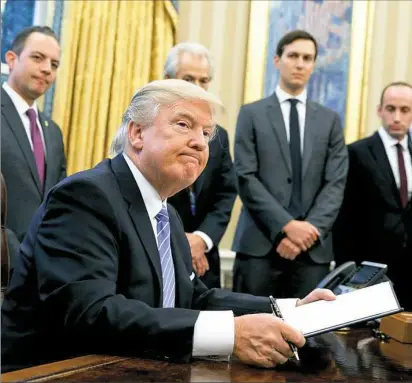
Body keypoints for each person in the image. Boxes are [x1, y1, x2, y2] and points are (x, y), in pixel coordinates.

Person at [1, 79, 335, 372]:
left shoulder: (166, 212)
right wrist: (230, 335)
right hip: (53, 370)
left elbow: (192, 297)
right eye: (183, 125)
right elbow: (92, 313)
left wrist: (286, 309)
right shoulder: (85, 197)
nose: (201, 143)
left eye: (206, 133)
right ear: (137, 133)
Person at [232, 30, 348, 298]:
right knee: (252, 332)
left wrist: (308, 231)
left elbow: (336, 182)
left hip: (312, 251)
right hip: (259, 246)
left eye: (307, 58)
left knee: (309, 337)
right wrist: (287, 226)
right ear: (277, 60)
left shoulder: (330, 120)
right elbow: (245, 177)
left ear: (313, 65)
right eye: (293, 56)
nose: (299, 64)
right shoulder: (251, 114)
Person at [333, 82, 412, 310]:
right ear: (380, 111)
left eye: (405, 110)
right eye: (391, 109)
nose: (397, 117)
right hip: (370, 270)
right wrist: (349, 270)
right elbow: (345, 218)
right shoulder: (357, 152)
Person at [164, 42, 237, 288]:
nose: (197, 88)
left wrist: (200, 240)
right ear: (168, 79)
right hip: (159, 250)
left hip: (205, 259)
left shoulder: (219, 136)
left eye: (203, 81)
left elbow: (225, 195)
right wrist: (181, 240)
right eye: (188, 79)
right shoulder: (151, 129)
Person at [1, 26, 67, 265]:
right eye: (37, 57)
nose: (46, 69)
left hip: (41, 268)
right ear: (11, 59)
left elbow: (60, 202)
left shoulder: (53, 132)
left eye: (54, 64)